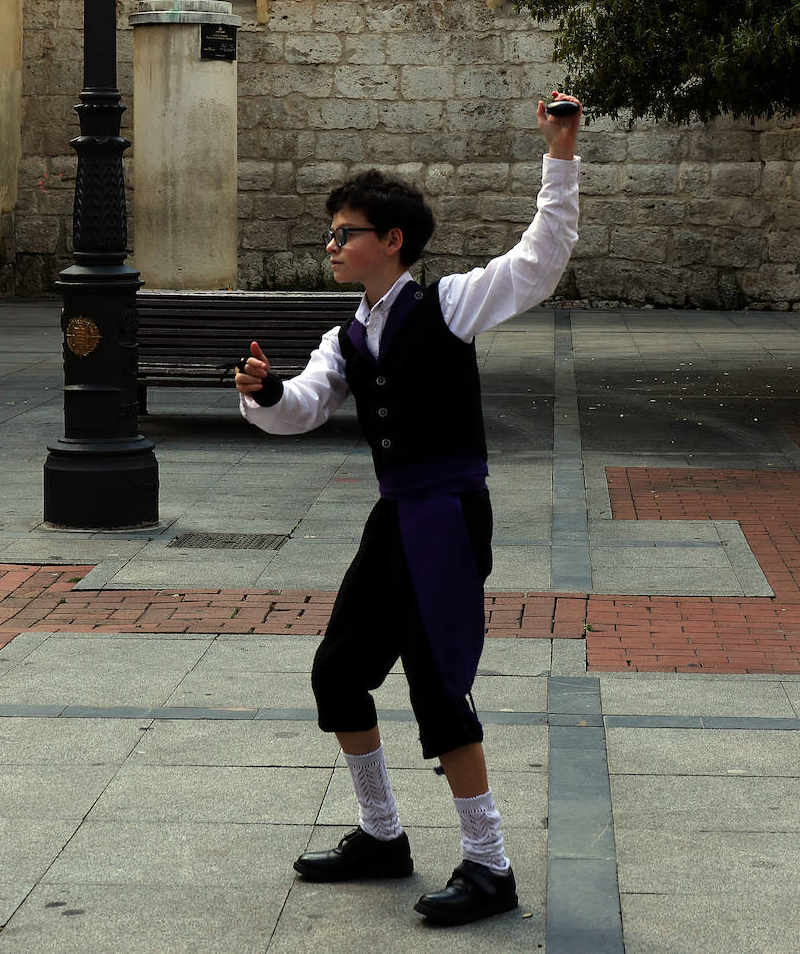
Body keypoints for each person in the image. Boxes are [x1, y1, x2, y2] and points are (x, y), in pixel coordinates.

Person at [235, 93, 581, 927]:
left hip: (450, 517)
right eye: (331, 232)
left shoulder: (449, 304)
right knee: (338, 672)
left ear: (390, 241)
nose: (332, 244)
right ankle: (382, 834)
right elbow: (304, 407)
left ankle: (488, 866)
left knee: (438, 688)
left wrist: (559, 154)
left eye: (345, 232)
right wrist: (267, 391)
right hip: (395, 519)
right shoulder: (345, 336)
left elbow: (540, 259)